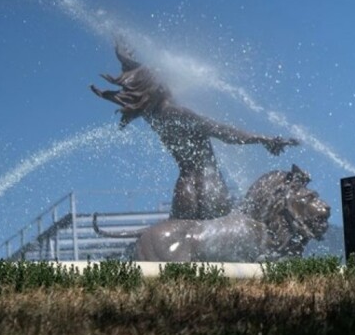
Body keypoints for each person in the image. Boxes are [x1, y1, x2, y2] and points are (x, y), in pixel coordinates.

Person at [91, 39, 299, 221]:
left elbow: (139, 84)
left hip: (184, 188)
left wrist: (124, 58)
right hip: (210, 185)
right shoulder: (178, 113)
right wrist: (265, 139)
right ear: (158, 87)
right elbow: (225, 132)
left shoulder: (152, 117)